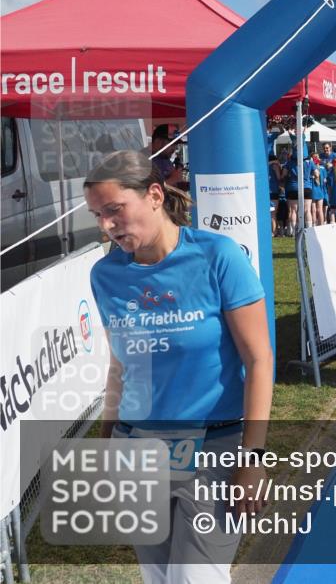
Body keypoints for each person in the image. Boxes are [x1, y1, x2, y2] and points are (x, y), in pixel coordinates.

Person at [84, 151, 272, 583]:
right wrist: (104, 445)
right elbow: (120, 366)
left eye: (114, 211)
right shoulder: (105, 275)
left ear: (153, 195)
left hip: (213, 451)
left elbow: (259, 360)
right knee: (158, 577)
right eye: (98, 215)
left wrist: (253, 457)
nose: (106, 226)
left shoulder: (218, 256)